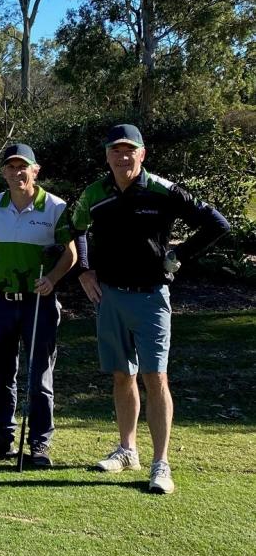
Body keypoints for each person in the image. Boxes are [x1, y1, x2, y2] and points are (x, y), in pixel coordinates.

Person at [72, 124, 230, 496]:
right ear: (107, 155)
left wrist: (179, 256)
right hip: (109, 296)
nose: (123, 157)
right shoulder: (96, 193)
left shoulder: (162, 189)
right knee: (120, 376)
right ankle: (128, 450)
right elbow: (76, 227)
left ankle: (161, 463)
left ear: (142, 154)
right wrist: (84, 269)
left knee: (154, 377)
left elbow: (216, 224)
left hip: (151, 297)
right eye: (116, 151)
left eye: (130, 151)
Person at [0, 143, 77, 468]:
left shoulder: (55, 207)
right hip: (0, 300)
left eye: (23, 167)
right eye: (11, 167)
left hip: (38, 302)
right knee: (1, 375)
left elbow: (71, 253)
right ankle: (2, 438)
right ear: (4, 172)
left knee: (40, 376)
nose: (17, 173)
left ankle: (39, 446)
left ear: (35, 170)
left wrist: (53, 279)